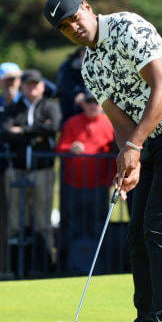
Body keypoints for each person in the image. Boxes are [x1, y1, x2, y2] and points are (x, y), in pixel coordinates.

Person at [46, 0, 162, 322]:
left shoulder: (127, 26)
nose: (74, 27)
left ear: (87, 8)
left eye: (75, 17)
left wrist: (135, 147)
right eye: (64, 27)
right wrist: (128, 158)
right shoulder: (89, 66)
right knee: (137, 233)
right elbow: (120, 121)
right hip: (151, 140)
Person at [1, 69, 62, 264]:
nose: (33, 87)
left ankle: (44, 264)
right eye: (29, 84)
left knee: (42, 220)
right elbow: (6, 131)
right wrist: (36, 132)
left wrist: (23, 131)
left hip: (42, 170)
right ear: (23, 86)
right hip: (17, 169)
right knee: (16, 220)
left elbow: (53, 127)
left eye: (36, 84)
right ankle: (19, 265)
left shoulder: (49, 106)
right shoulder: (14, 107)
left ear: (42, 86)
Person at [55, 90, 116, 273]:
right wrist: (70, 148)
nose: (93, 106)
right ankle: (70, 267)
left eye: (97, 102)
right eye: (90, 102)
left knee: (97, 226)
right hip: (73, 185)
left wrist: (113, 178)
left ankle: (98, 267)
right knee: (72, 226)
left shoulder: (110, 124)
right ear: (83, 104)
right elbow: (60, 147)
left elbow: (116, 153)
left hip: (98, 186)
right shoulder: (72, 122)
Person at [54, 47, 87, 120]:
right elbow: (64, 84)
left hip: (87, 98)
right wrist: (77, 94)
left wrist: (86, 94)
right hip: (69, 101)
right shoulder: (66, 66)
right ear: (82, 54)